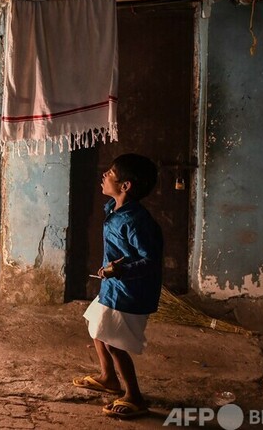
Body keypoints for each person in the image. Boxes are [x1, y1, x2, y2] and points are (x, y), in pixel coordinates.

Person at [72, 153, 162, 419]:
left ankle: (134, 396)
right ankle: (108, 378)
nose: (104, 175)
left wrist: (121, 270)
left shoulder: (136, 221)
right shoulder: (113, 208)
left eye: (110, 173)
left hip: (130, 292)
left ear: (125, 186)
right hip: (112, 286)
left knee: (115, 344)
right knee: (96, 327)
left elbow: (151, 260)